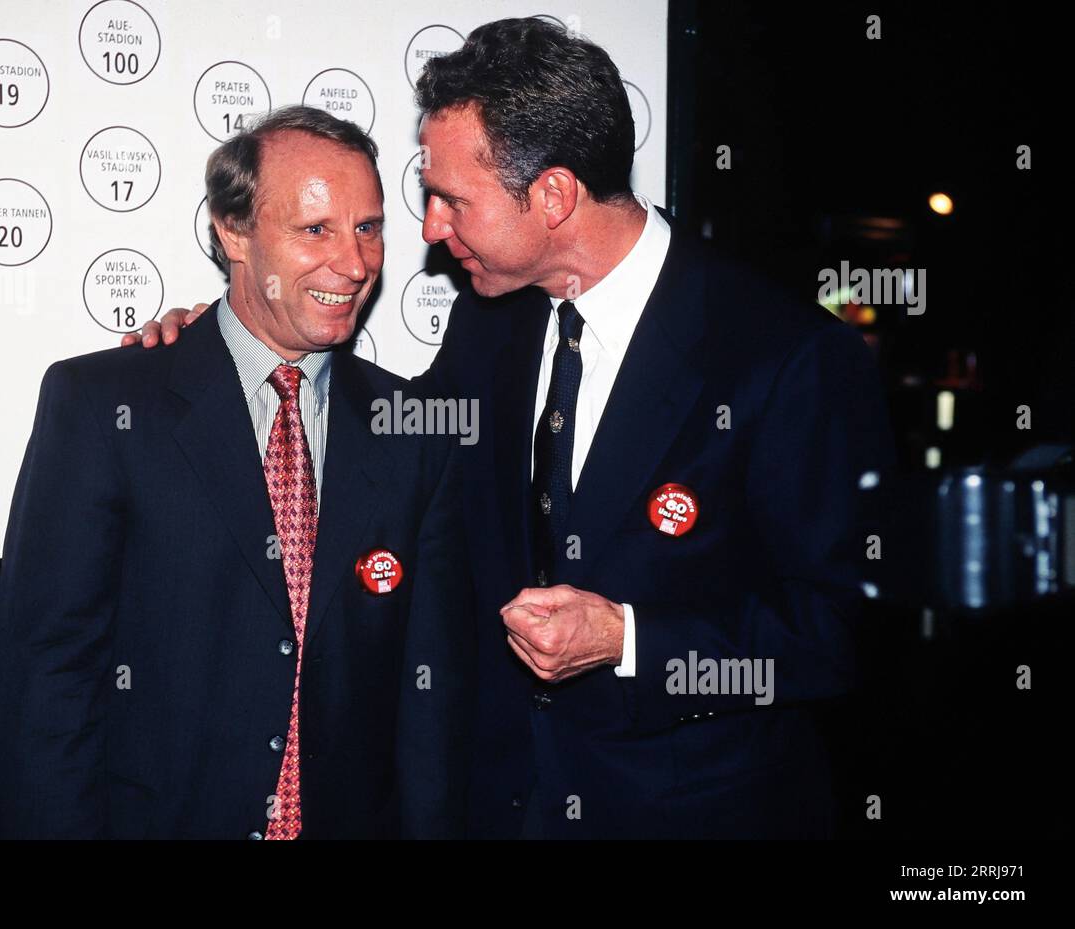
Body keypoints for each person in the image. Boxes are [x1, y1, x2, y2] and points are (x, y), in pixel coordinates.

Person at [126, 18, 896, 838]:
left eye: (452, 199)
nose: (427, 229)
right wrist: (241, 338)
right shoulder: (491, 322)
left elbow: (836, 635)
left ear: (554, 196)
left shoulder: (783, 355)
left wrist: (627, 638)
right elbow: (380, 440)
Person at [0, 106, 472, 840]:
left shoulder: (411, 430)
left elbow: (428, 704)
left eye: (368, 228)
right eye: (316, 229)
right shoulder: (103, 407)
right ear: (234, 230)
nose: (353, 262)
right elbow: (47, 683)